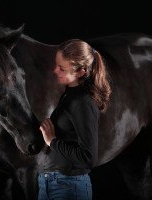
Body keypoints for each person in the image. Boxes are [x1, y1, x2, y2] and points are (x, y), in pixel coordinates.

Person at [38, 39, 111, 200]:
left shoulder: (83, 102)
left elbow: (88, 158)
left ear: (81, 71)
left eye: (62, 68)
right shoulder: (68, 95)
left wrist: (52, 141)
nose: (56, 70)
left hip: (69, 187)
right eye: (57, 65)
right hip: (48, 183)